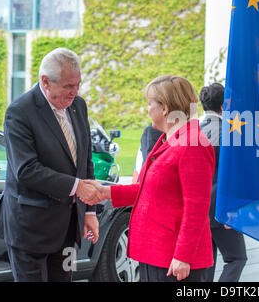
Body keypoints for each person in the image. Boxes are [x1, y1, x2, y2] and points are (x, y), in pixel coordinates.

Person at [83, 75, 215, 282]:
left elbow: (196, 207)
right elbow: (149, 189)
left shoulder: (192, 144)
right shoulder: (169, 139)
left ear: (164, 108)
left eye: (149, 103)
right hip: (157, 253)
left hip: (173, 260)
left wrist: (183, 255)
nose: (147, 109)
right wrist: (105, 192)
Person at [0, 48, 101, 282]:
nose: (75, 92)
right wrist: (77, 187)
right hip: (30, 229)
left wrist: (89, 210)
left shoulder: (78, 106)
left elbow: (84, 160)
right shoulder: (19, 112)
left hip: (67, 228)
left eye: (78, 84)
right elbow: (26, 170)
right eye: (68, 86)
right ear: (45, 82)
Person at [199, 83, 247, 282]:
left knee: (207, 263)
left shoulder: (194, 131)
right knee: (237, 258)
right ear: (224, 105)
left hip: (198, 209)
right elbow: (235, 175)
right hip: (221, 208)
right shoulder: (230, 133)